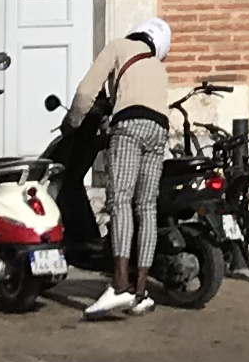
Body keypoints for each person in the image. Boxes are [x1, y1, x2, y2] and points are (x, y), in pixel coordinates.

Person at [64, 16, 173, 317]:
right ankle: (140, 291)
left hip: (130, 128)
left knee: (121, 200)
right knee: (147, 206)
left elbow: (87, 91)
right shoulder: (157, 67)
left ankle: (119, 284)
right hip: (158, 131)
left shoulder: (117, 47)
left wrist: (71, 122)